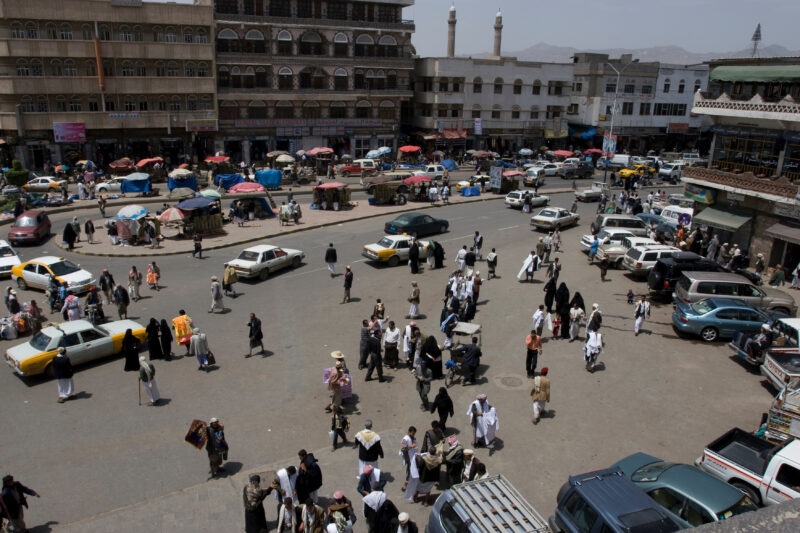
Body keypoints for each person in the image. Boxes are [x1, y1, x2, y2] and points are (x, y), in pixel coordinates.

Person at [399, 426, 417, 491]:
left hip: (412, 456)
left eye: (414, 433)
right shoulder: (405, 439)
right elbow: (403, 448)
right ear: (409, 432)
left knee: (411, 470)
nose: (413, 435)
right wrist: (411, 446)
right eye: (412, 433)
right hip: (408, 458)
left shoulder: (413, 438)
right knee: (409, 471)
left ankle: (408, 482)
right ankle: (405, 484)